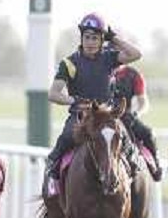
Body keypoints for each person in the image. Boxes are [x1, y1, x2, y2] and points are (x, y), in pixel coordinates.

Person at [45, 13, 142, 182]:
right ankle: (51, 174)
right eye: (87, 37)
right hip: (81, 117)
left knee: (126, 141)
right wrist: (74, 100)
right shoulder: (68, 63)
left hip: (106, 117)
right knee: (66, 137)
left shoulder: (110, 57)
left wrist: (115, 39)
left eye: (95, 38)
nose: (90, 42)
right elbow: (53, 94)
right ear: (81, 38)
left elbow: (136, 54)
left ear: (101, 40)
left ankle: (133, 177)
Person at [111, 65, 163, 181]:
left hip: (125, 117)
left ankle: (156, 166)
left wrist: (135, 114)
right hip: (103, 116)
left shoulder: (134, 74)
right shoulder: (99, 70)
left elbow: (143, 102)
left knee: (147, 133)